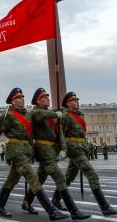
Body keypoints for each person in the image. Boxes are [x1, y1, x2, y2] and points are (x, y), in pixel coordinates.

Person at [0, 88, 68, 220]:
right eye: (19, 98)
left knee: (12, 180)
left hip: (26, 150)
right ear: (12, 101)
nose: (22, 99)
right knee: (33, 177)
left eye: (23, 97)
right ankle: (51, 211)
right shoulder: (8, 115)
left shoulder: (27, 116)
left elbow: (35, 127)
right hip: (15, 150)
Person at [21, 88, 90, 220]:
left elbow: (60, 134)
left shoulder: (51, 114)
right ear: (38, 101)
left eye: (48, 97)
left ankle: (27, 202)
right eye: (44, 98)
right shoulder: (35, 112)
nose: (48, 99)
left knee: (39, 179)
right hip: (43, 150)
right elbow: (41, 115)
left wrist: (63, 149)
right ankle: (74, 210)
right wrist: (56, 114)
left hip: (52, 150)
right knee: (60, 178)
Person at [52, 92, 117, 216]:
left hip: (80, 147)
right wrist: (63, 149)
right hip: (74, 149)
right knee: (92, 175)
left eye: (77, 99)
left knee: (68, 178)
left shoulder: (79, 115)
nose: (77, 101)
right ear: (68, 104)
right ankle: (104, 206)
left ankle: (55, 199)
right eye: (73, 100)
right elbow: (61, 135)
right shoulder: (66, 116)